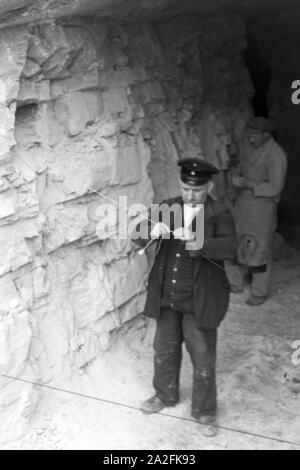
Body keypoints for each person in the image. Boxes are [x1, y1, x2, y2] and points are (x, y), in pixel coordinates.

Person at [131, 158, 237, 437]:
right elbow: (137, 235)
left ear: (209, 186)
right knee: (164, 350)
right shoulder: (167, 207)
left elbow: (230, 247)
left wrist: (197, 238)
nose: (190, 195)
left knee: (202, 357)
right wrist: (151, 231)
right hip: (167, 296)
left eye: (197, 190)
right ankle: (164, 396)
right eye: (185, 188)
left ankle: (204, 411)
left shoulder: (220, 211)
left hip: (200, 299)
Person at [228, 117, 287, 306]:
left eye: (254, 136)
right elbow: (242, 165)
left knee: (259, 248)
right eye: (248, 136)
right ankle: (235, 283)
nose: (250, 139)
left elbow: (275, 187)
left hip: (262, 209)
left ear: (266, 135)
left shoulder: (276, 155)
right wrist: (238, 176)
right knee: (237, 243)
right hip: (243, 204)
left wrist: (249, 184)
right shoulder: (249, 146)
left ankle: (259, 291)